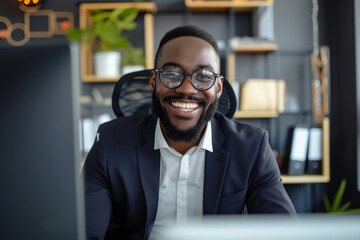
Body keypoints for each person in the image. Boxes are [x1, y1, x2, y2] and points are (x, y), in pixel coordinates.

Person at [83, 25, 296, 240]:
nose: (186, 89)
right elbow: (84, 232)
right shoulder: (110, 142)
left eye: (203, 76)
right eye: (172, 74)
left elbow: (284, 233)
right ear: (153, 82)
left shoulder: (251, 148)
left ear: (219, 88)